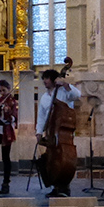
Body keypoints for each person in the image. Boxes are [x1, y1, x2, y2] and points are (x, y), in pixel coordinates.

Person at [36, 67, 82, 197]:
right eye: (43, 78)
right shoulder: (44, 97)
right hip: (52, 132)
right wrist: (39, 132)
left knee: (63, 158)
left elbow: (77, 95)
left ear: (53, 79)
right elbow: (41, 116)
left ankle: (64, 186)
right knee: (50, 158)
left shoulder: (64, 92)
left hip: (63, 132)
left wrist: (66, 85)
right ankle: (55, 186)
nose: (44, 81)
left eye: (46, 78)